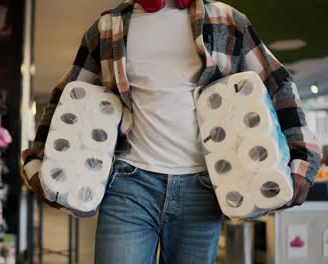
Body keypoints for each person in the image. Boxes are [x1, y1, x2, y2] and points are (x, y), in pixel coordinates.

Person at [22, 0, 321, 263]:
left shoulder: (228, 21)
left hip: (203, 188)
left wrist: (302, 156)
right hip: (129, 185)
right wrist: (38, 160)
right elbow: (67, 96)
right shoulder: (108, 28)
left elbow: (277, 81)